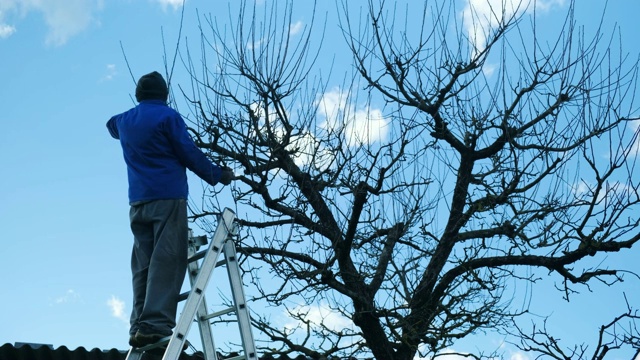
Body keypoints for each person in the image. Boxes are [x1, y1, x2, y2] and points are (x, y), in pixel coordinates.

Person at [106, 71, 234, 348]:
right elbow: (189, 153)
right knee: (167, 260)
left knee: (143, 265)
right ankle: (155, 325)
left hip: (138, 203)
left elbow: (111, 125)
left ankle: (139, 325)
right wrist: (218, 174)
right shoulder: (168, 117)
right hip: (167, 198)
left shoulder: (124, 121)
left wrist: (136, 116)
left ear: (139, 95)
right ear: (164, 95)